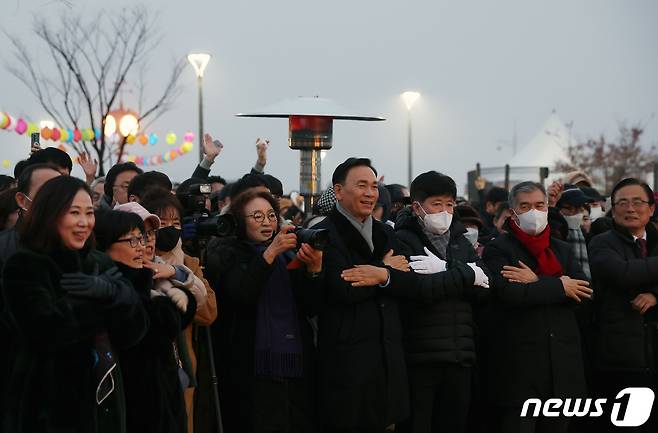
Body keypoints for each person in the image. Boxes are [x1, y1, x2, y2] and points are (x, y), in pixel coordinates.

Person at [1, 176, 147, 433]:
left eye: (89, 212)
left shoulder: (98, 263)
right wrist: (95, 300)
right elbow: (44, 331)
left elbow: (133, 333)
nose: (84, 222)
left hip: (106, 400)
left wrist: (120, 296)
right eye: (74, 213)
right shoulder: (26, 265)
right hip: (48, 407)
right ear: (50, 215)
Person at [204, 190, 323, 433]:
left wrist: (314, 270)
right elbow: (242, 294)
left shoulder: (289, 254)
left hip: (296, 362)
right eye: (257, 216)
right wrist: (270, 253)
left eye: (271, 215)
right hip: (250, 365)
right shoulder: (227, 253)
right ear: (239, 220)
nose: (267, 222)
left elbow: (311, 306)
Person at [313, 158, 416, 433]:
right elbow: (343, 287)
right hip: (346, 364)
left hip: (388, 361)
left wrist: (378, 275)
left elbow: (409, 282)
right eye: (361, 186)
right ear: (338, 190)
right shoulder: (324, 234)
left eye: (374, 186)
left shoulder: (386, 232)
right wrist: (385, 272)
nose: (370, 193)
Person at [482, 181, 591, 433]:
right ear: (513, 211)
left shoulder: (561, 249)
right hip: (520, 370)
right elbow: (509, 294)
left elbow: (583, 293)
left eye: (539, 205)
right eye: (525, 206)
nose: (534, 211)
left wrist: (535, 282)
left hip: (563, 366)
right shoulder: (499, 249)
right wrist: (560, 286)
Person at [394, 171, 490, 433]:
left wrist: (445, 269)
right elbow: (419, 289)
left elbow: (485, 288)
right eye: (436, 204)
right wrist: (467, 275)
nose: (445, 211)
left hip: (460, 356)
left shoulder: (460, 241)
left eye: (449, 204)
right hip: (419, 359)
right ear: (417, 207)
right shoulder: (403, 239)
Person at [94, 209, 197, 433]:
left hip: (162, 400)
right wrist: (169, 303)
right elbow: (155, 328)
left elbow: (182, 314)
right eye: (132, 240)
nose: (141, 246)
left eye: (142, 237)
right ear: (106, 245)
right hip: (134, 405)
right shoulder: (109, 287)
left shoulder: (143, 278)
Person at [140, 190, 218, 433]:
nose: (170, 230)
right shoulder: (134, 259)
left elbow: (209, 313)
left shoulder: (189, 263)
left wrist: (177, 274)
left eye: (176, 223)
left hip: (181, 363)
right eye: (162, 224)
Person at [589, 178, 658, 432]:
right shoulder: (602, 242)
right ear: (612, 208)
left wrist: (654, 294)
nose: (630, 208)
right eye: (623, 203)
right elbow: (622, 273)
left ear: (651, 208)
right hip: (619, 358)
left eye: (638, 202)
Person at [0, 163, 61, 278]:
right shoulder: (3, 246)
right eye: (46, 191)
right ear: (22, 200)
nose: (56, 199)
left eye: (60, 192)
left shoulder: (76, 245)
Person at [555, 187, 591, 277]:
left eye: (579, 208)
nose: (574, 212)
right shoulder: (554, 233)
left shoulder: (584, 233)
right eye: (568, 208)